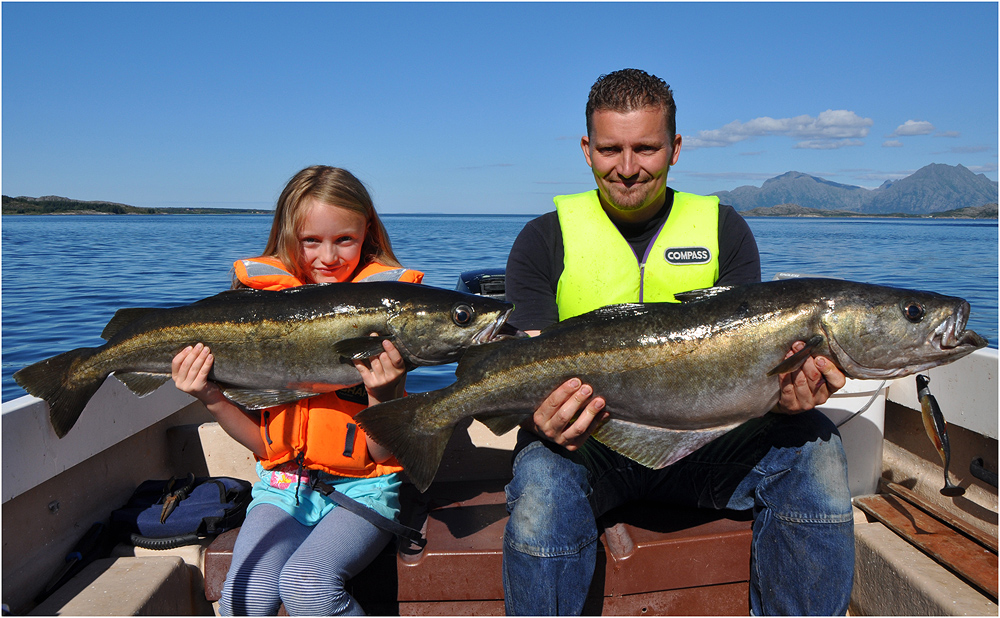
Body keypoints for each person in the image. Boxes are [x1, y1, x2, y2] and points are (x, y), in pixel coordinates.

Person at [502, 69, 855, 615]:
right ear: (586, 149)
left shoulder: (725, 230)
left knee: (818, 448)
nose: (626, 168)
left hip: (709, 451)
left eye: (645, 148)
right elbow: (525, 367)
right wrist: (537, 417)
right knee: (541, 479)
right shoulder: (541, 241)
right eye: (609, 149)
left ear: (675, 148)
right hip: (593, 450)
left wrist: (788, 398)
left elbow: (756, 372)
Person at [171, 165, 423, 616]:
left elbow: (383, 456)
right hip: (280, 488)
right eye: (311, 241)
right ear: (288, 237)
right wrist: (208, 395)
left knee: (307, 584)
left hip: (363, 492)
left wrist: (384, 394)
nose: (328, 257)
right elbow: (264, 444)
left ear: (367, 234)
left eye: (344, 240)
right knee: (240, 598)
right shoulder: (260, 311)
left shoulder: (383, 322)